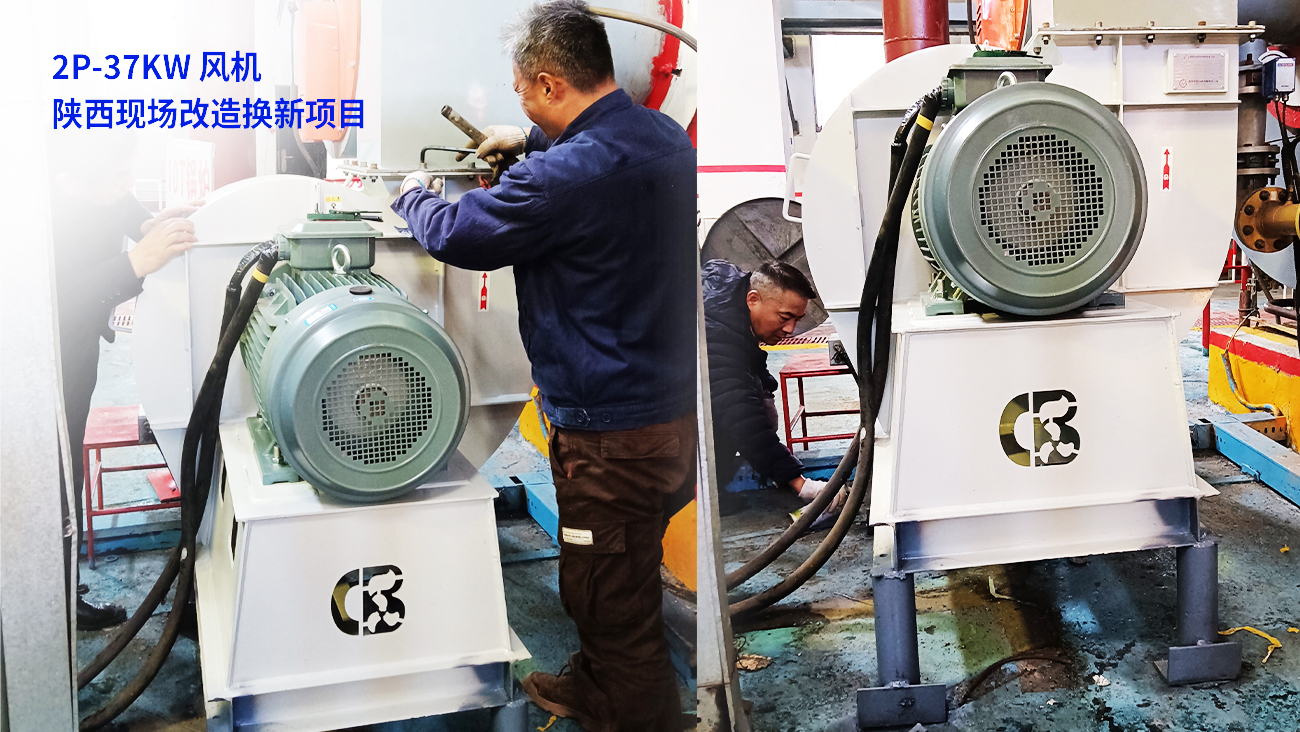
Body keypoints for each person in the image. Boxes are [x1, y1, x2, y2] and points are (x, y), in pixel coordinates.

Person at [390, 2, 695, 730]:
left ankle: (635, 711)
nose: (521, 101)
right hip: (670, 414)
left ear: (551, 83)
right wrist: (528, 138)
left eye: (523, 92)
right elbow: (594, 160)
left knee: (606, 591)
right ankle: (599, 679)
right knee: (621, 569)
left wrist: (411, 196)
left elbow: (457, 235)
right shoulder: (661, 135)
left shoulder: (560, 180)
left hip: (608, 435)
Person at [48, 130, 200, 630]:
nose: (127, 183)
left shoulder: (94, 183)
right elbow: (54, 300)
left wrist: (149, 225)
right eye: (117, 177)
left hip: (79, 351)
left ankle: (61, 580)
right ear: (68, 182)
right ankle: (57, 603)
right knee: (55, 476)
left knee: (68, 461)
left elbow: (121, 206)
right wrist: (135, 262)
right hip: (48, 361)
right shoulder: (34, 216)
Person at [702, 259, 841, 513]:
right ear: (753, 300)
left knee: (757, 400)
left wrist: (765, 387)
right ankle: (703, 497)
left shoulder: (731, 292)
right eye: (785, 317)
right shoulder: (714, 336)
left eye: (797, 319)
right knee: (730, 414)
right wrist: (799, 483)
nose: (790, 329)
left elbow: (748, 352)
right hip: (655, 408)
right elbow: (744, 420)